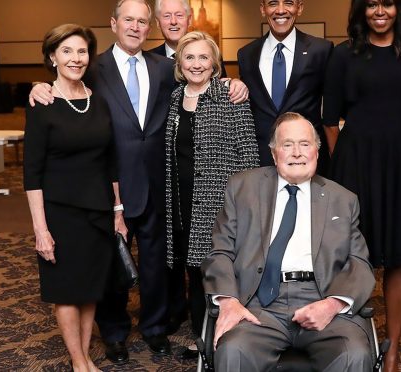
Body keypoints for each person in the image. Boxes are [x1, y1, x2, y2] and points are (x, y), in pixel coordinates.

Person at [29, 0, 177, 364]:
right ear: (114, 23)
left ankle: (156, 329)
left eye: (143, 21)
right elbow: (61, 84)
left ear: (149, 27)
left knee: (154, 263)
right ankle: (114, 335)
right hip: (102, 185)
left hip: (151, 182)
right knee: (110, 269)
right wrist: (36, 87)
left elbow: (202, 75)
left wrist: (233, 84)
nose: (135, 27)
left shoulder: (166, 67)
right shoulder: (93, 68)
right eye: (128, 19)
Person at [202, 112, 376, 371]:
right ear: (274, 154)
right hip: (258, 304)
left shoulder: (343, 199)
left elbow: (359, 263)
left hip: (322, 298)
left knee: (354, 354)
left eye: (305, 144)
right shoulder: (242, 188)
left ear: (317, 152)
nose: (297, 153)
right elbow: (220, 252)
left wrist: (332, 304)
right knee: (233, 350)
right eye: (287, 145)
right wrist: (228, 302)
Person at [322, 1, 401, 370]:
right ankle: (352, 341)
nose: (379, 11)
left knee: (399, 257)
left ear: (399, 9)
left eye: (387, 3)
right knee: (354, 256)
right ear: (361, 11)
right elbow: (329, 119)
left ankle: (393, 347)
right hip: (355, 164)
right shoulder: (343, 54)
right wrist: (343, 166)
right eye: (371, 4)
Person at [24, 24, 125, 372]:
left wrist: (117, 211)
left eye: (81, 51)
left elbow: (110, 160)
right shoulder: (42, 103)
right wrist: (40, 229)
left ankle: (82, 355)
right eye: (67, 51)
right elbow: (31, 173)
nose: (75, 58)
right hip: (60, 213)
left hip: (97, 211)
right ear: (53, 57)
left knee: (90, 287)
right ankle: (79, 361)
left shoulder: (97, 100)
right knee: (67, 290)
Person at [164, 31, 260, 359]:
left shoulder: (229, 94)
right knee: (192, 270)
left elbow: (248, 154)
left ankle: (226, 337)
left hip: (220, 203)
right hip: (182, 201)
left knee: (218, 270)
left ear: (215, 63)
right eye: (189, 57)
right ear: (179, 63)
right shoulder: (176, 97)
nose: (196, 64)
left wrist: (247, 206)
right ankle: (200, 335)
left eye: (204, 57)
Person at [237, 0, 333, 174]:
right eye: (273, 3)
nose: (281, 10)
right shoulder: (246, 54)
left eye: (288, 3)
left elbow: (332, 106)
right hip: (260, 158)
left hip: (305, 157)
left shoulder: (321, 50)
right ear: (263, 9)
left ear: (300, 8)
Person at [150, 0, 250, 103]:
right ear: (158, 22)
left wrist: (234, 83)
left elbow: (222, 87)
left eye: (179, 15)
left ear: (189, 20)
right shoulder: (149, 60)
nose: (173, 21)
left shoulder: (212, 56)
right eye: (167, 16)